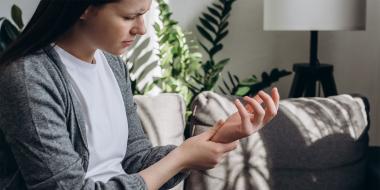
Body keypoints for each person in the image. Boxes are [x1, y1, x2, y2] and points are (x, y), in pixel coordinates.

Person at [0, 0, 280, 189]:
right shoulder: (28, 77)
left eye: (144, 14)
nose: (142, 29)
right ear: (84, 8)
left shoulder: (112, 65)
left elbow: (134, 157)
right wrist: (180, 157)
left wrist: (218, 136)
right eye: (129, 16)